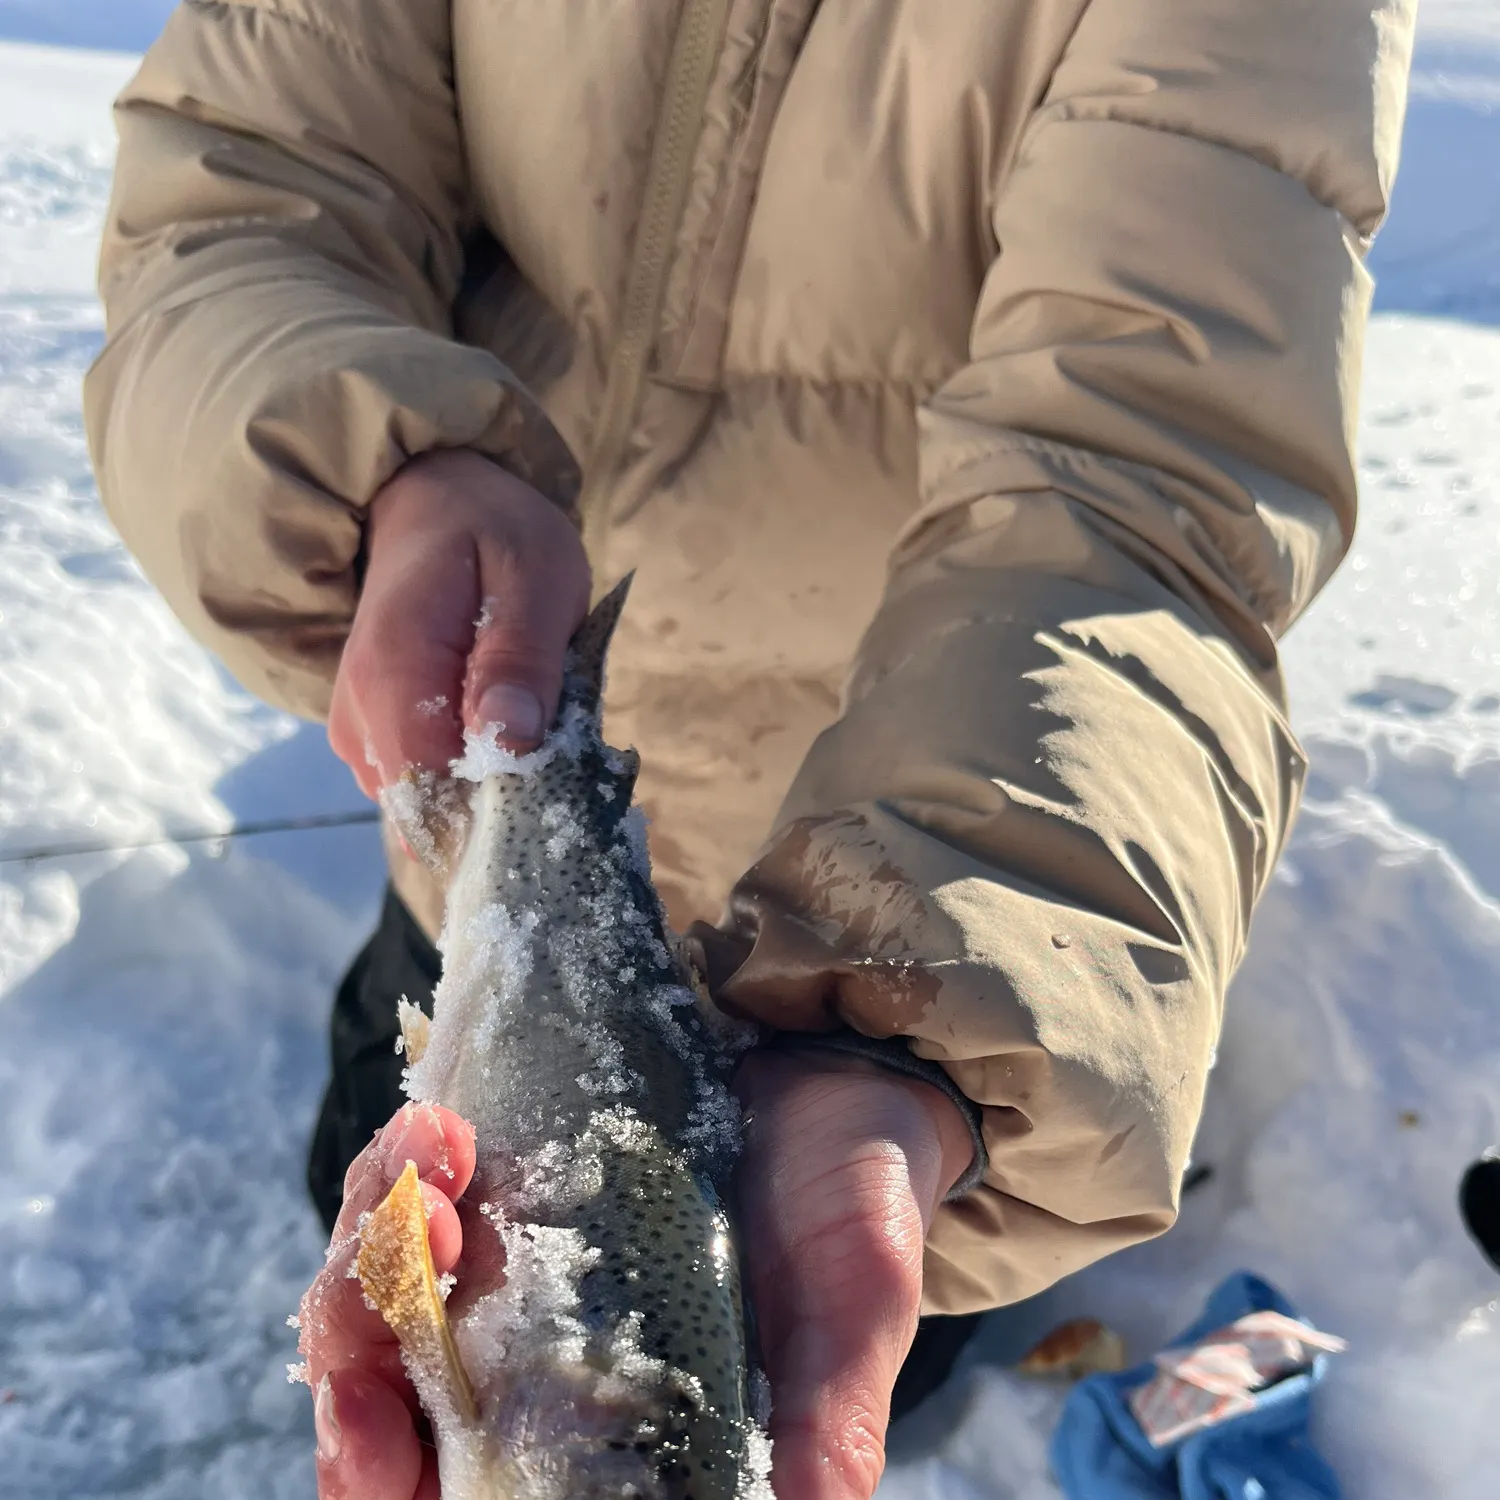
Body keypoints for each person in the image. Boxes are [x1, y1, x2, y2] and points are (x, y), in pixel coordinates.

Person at [85, 2, 1415, 1495]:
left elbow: (1147, 498)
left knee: (838, 1342)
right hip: (481, 845)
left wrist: (921, 1030)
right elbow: (244, 191)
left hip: (920, 939)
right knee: (368, 1194)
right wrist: (391, 463)